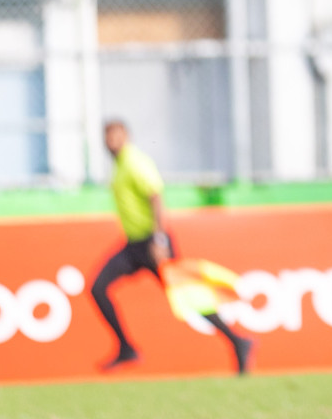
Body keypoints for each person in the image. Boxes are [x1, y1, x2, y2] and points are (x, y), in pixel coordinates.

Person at [90, 120, 253, 375]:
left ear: (126, 136)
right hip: (133, 246)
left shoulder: (134, 162)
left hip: (152, 244)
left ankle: (238, 341)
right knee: (98, 288)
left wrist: (159, 240)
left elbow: (155, 195)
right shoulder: (119, 166)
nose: (110, 142)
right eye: (107, 137)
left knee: (187, 298)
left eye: (115, 136)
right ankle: (126, 347)